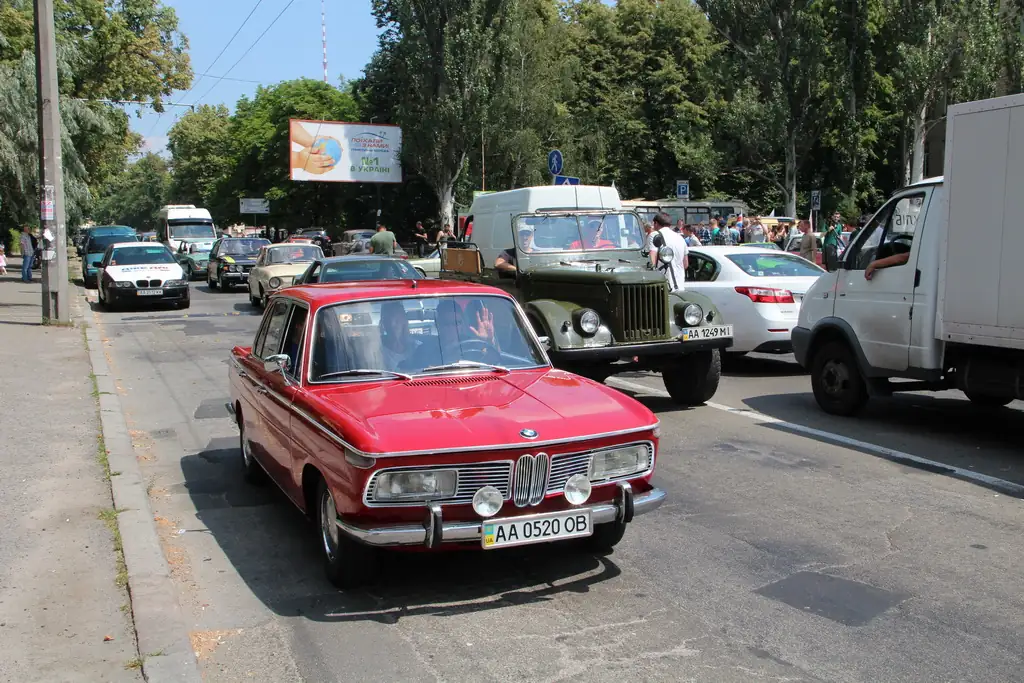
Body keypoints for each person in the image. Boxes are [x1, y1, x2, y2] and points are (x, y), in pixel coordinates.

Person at [648, 212, 688, 291]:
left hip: (663, 287)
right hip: (680, 286)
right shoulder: (680, 238)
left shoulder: (654, 235)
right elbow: (685, 264)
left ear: (656, 223)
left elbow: (651, 261)